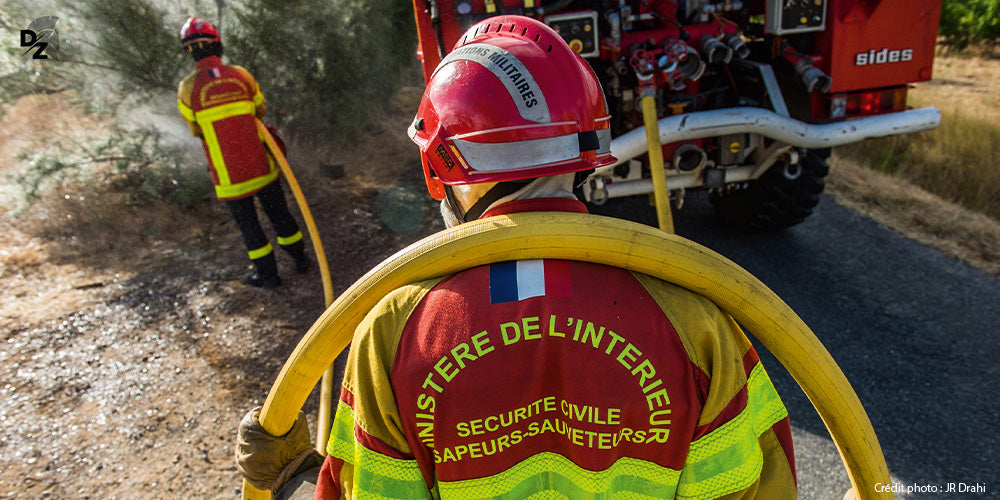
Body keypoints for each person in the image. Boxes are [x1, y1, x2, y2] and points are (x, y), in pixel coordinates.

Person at [237, 15, 797, 499]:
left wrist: (289, 481)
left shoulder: (395, 332)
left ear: (445, 167)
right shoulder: (694, 317)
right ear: (584, 155)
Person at [176, 17, 308, 288]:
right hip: (262, 165)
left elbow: (195, 129)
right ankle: (300, 260)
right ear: (217, 44)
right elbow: (260, 111)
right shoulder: (241, 75)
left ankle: (268, 275)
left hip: (229, 177)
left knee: (250, 226)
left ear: (189, 51)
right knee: (279, 214)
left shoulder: (187, 89)